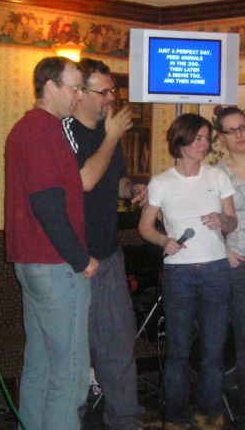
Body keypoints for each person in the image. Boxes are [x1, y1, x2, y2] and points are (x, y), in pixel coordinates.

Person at [5, 56, 98, 430]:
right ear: (50, 86)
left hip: (32, 263)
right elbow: (46, 204)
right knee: (70, 374)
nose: (78, 97)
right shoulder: (43, 132)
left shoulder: (25, 128)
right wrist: (81, 259)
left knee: (40, 366)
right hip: (56, 265)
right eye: (74, 88)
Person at [62, 58, 148, 430]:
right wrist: (111, 137)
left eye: (112, 91)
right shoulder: (64, 131)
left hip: (109, 253)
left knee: (119, 345)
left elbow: (116, 182)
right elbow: (84, 180)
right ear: (79, 94)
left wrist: (134, 189)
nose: (111, 99)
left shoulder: (106, 130)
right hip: (72, 260)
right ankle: (69, 422)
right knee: (74, 352)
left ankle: (126, 421)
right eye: (103, 92)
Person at [138, 113, 238, 430]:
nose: (204, 144)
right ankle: (176, 418)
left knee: (213, 351)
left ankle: (209, 414)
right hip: (179, 275)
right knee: (178, 352)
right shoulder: (161, 182)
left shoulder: (217, 177)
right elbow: (145, 226)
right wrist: (163, 240)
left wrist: (223, 220)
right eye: (197, 138)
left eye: (207, 138)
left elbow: (232, 222)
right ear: (180, 141)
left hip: (216, 272)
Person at [213, 106, 245, 428]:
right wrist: (223, 249)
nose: (239, 134)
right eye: (231, 131)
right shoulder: (217, 173)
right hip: (240, 261)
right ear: (221, 137)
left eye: (243, 127)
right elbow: (207, 219)